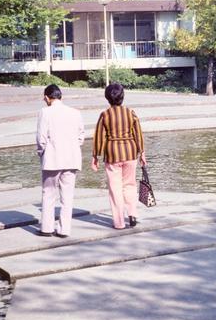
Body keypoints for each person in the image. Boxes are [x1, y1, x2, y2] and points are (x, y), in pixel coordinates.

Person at [91, 83, 146, 230]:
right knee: (130, 185)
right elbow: (138, 134)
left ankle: (119, 222)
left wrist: (95, 156)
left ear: (107, 98)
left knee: (115, 188)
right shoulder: (131, 113)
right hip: (130, 152)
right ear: (123, 97)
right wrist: (142, 153)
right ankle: (133, 215)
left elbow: (99, 137)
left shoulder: (105, 115)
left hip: (112, 154)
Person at [35, 84, 85, 237]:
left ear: (46, 98)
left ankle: (47, 228)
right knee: (67, 196)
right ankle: (64, 230)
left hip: (52, 159)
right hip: (71, 159)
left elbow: (41, 138)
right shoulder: (75, 113)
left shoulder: (45, 112)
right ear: (61, 96)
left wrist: (42, 153)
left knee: (49, 193)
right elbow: (81, 137)